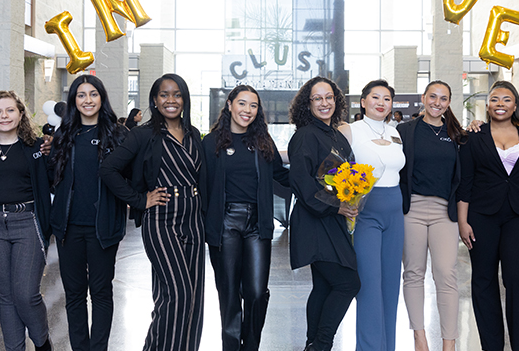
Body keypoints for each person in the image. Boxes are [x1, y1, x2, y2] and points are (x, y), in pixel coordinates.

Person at [100, 73, 207, 351]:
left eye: (177, 94)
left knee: (193, 297)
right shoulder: (143, 134)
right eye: (164, 94)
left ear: (184, 99)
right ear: (155, 100)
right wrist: (138, 200)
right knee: (179, 294)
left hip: (193, 220)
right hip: (161, 218)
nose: (171, 100)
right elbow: (108, 169)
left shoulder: (194, 134)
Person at [203, 85, 289, 351]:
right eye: (242, 104)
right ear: (229, 105)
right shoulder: (211, 142)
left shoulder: (263, 141)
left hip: (257, 224)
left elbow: (280, 175)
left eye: (253, 106)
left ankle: (250, 346)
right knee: (229, 295)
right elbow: (202, 184)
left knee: (255, 292)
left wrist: (317, 182)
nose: (247, 111)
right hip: (225, 223)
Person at [457, 80, 519, 351]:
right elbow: (465, 181)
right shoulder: (473, 136)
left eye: (506, 99)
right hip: (482, 215)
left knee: (518, 280)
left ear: (515, 104)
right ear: (488, 104)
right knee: (483, 280)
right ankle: (491, 346)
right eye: (495, 99)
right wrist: (462, 221)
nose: (500, 104)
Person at [49, 75, 129, 351]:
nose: (87, 100)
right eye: (81, 95)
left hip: (103, 227)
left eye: (93, 94)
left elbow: (130, 175)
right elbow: (52, 178)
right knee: (74, 295)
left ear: (102, 98)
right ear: (73, 101)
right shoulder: (64, 136)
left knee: (101, 293)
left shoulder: (118, 135)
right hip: (68, 227)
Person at [0, 91, 53, 351]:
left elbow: (55, 177)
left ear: (20, 114)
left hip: (27, 223)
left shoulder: (37, 147)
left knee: (26, 294)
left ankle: (42, 344)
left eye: (10, 110)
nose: (4, 116)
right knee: (6, 296)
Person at [287, 76, 360, 351]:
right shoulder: (305, 135)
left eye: (329, 97)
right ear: (308, 104)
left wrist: (352, 198)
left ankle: (312, 344)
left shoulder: (337, 136)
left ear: (336, 100)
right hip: (314, 221)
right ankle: (321, 344)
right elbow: (301, 183)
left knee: (323, 287)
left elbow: (348, 175)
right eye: (317, 98)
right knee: (348, 283)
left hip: (334, 220)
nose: (324, 103)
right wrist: (336, 205)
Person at [338, 80, 405, 351]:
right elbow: (329, 167)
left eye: (387, 98)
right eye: (375, 97)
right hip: (366, 211)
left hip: (395, 210)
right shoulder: (349, 130)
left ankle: (388, 346)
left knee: (391, 284)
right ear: (363, 102)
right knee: (368, 284)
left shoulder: (397, 132)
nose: (381, 102)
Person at [398, 81, 465, 351]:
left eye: (443, 98)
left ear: (449, 102)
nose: (437, 102)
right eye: (433, 97)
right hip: (411, 209)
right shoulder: (405, 131)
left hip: (443, 213)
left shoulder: (458, 135)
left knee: (446, 274)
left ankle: (449, 344)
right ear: (423, 98)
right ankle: (419, 338)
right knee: (413, 273)